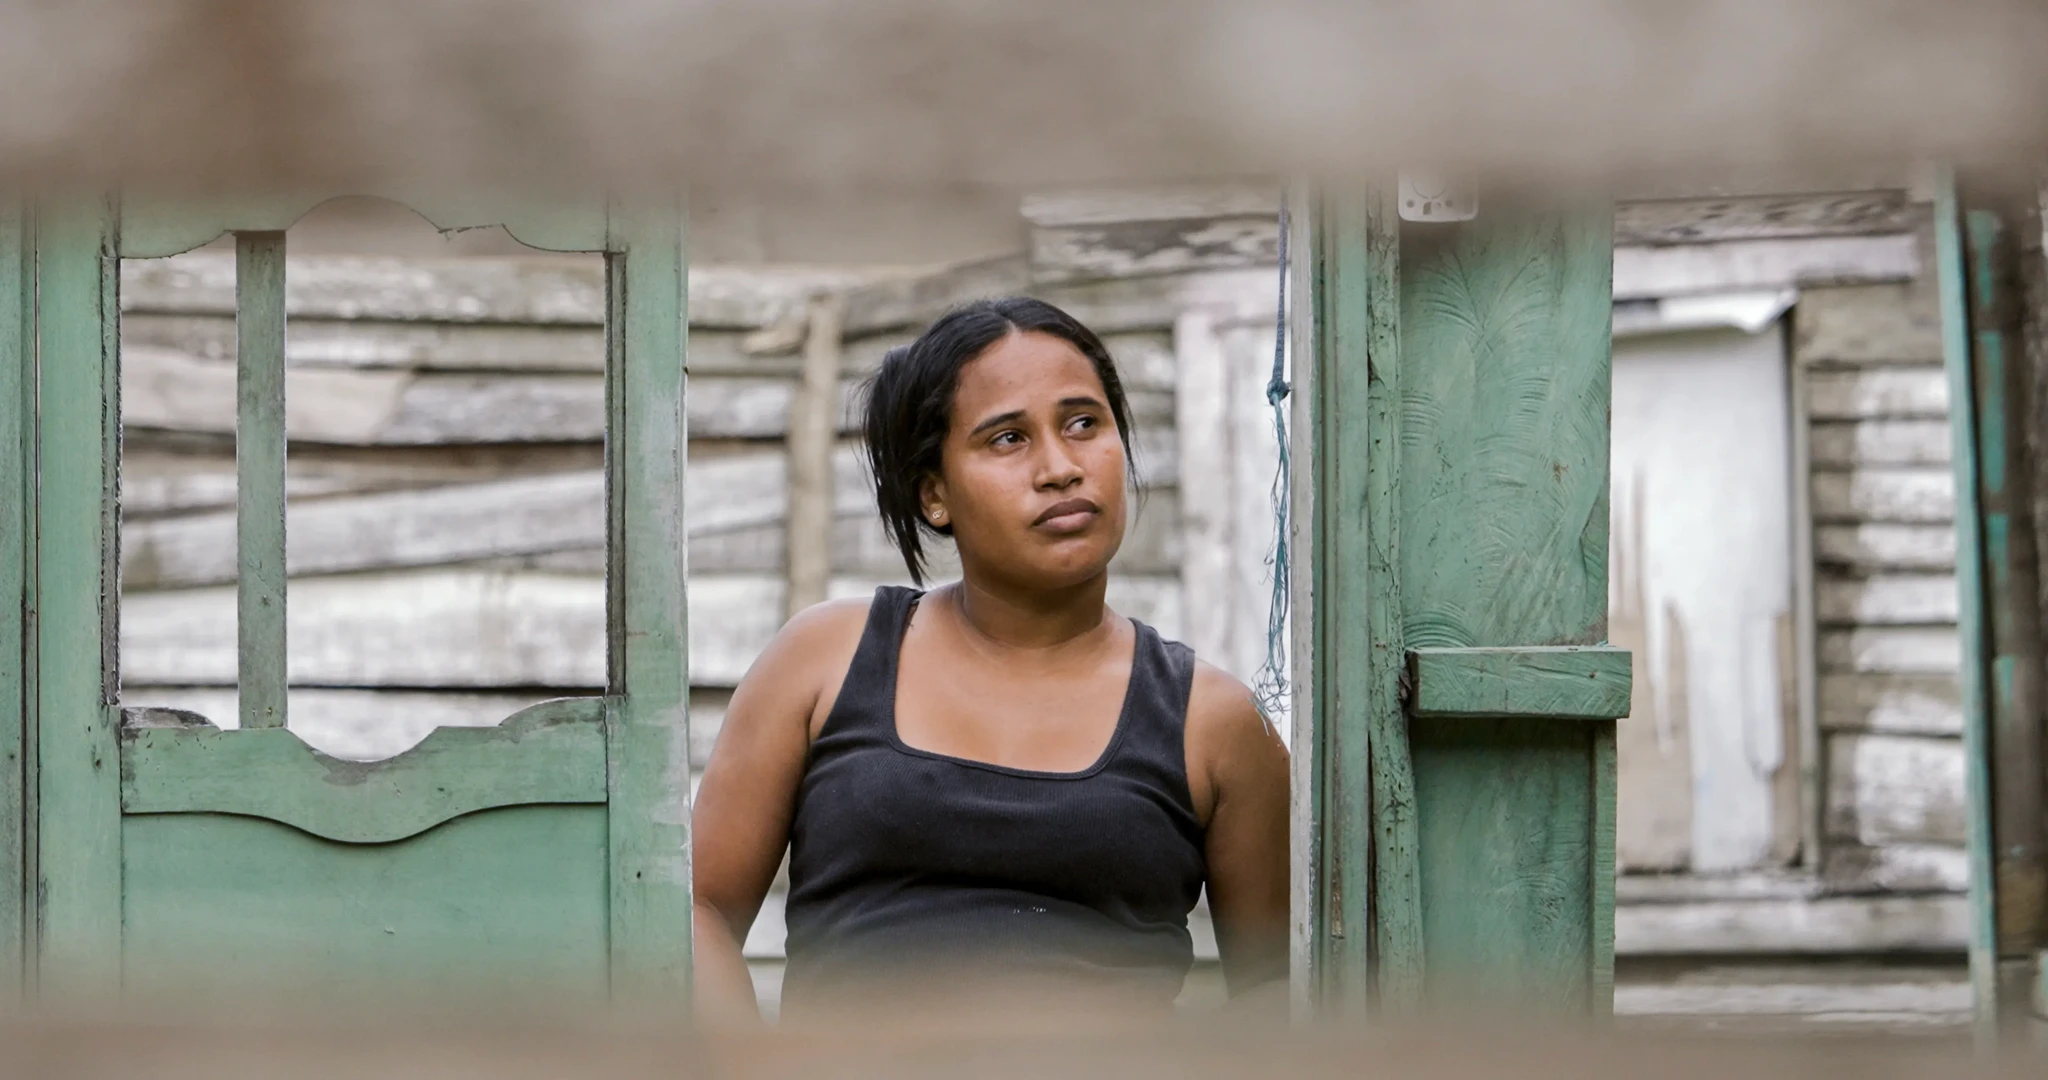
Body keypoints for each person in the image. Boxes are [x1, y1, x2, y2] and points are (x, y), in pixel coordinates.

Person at [691, 297, 1290, 1025]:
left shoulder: (1214, 723)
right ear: (934, 494)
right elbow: (698, 911)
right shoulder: (825, 660)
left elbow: (1278, 992)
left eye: (1083, 424)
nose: (1061, 468)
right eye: (1007, 439)